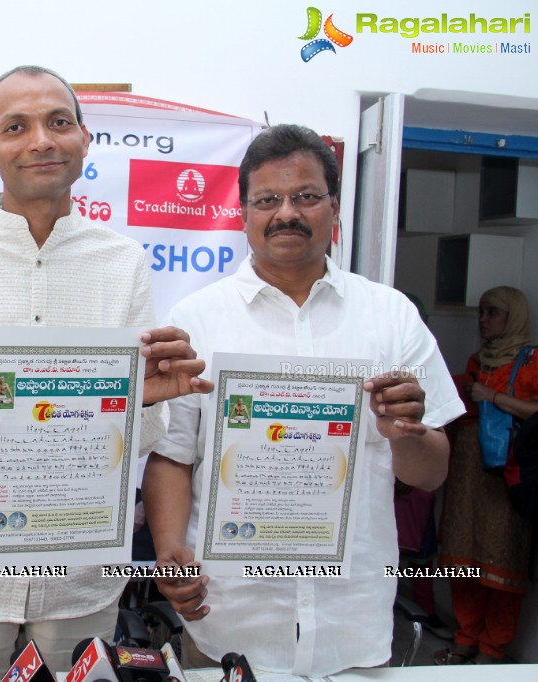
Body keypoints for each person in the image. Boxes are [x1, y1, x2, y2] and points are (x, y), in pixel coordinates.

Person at [0, 65, 210, 677]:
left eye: (59, 122)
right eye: (16, 126)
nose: (41, 140)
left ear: (85, 137)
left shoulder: (123, 262)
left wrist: (139, 404)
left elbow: (137, 437)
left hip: (79, 575)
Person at [142, 124, 464, 677]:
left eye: (306, 197)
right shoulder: (197, 319)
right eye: (267, 200)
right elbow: (173, 453)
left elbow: (431, 474)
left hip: (352, 620)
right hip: (228, 618)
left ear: (334, 208)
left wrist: (407, 432)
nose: (285, 212)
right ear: (243, 213)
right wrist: (172, 549)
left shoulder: (390, 316)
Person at [435, 286, 538, 665]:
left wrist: (493, 397)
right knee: (464, 557)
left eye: (492, 312)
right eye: (481, 312)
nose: (483, 320)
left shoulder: (532, 362)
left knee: (502, 560)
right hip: (467, 474)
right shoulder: (478, 360)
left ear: (513, 317)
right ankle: (465, 641)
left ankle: (493, 650)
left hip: (506, 478)